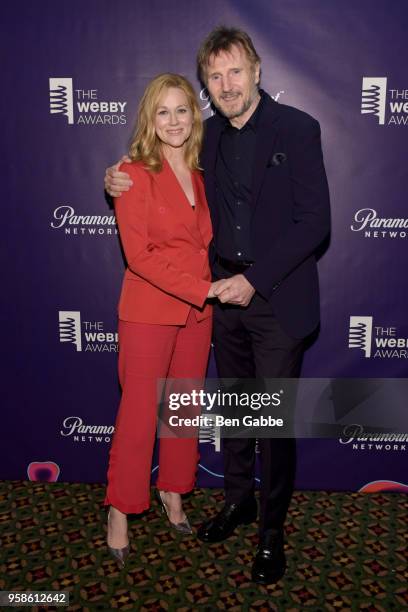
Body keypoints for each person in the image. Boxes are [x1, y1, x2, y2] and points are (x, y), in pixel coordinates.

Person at [105, 27, 330, 584]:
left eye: (235, 71)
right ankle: (233, 502)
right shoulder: (204, 140)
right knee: (229, 414)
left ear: (256, 69)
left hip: (272, 299)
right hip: (218, 301)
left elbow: (315, 224)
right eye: (215, 75)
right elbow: (145, 175)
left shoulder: (297, 128)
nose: (226, 85)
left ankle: (270, 534)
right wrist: (112, 179)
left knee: (269, 422)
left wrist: (255, 280)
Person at [104, 73, 224, 568]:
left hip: (197, 317)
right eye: (163, 112)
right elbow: (141, 258)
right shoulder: (132, 174)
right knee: (137, 417)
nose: (174, 121)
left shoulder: (199, 173)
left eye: (182, 110)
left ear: (193, 116)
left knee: (181, 412)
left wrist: (204, 298)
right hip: (151, 312)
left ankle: (174, 492)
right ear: (149, 119)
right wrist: (203, 290)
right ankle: (120, 509)